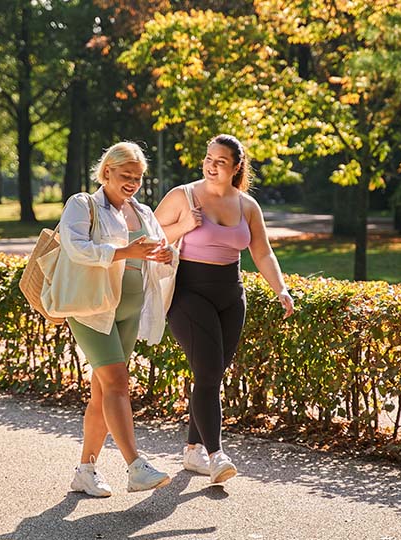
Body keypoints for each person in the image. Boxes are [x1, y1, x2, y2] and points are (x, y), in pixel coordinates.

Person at [154, 134, 294, 484]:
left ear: (236, 167)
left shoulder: (247, 205)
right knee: (208, 372)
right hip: (188, 292)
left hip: (231, 296)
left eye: (220, 161)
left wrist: (281, 288)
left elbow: (263, 252)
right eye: (208, 158)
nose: (211, 165)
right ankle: (216, 455)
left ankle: (192, 451)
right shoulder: (182, 196)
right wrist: (183, 226)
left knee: (211, 374)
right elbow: (150, 235)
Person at [61, 141, 178, 497]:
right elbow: (75, 245)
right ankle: (135, 466)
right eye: (125, 175)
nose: (132, 183)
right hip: (92, 309)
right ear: (106, 172)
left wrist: (167, 253)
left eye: (138, 177)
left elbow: (159, 250)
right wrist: (126, 251)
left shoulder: (141, 211)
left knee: (102, 393)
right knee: (116, 381)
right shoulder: (83, 204)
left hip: (129, 309)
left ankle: (86, 470)